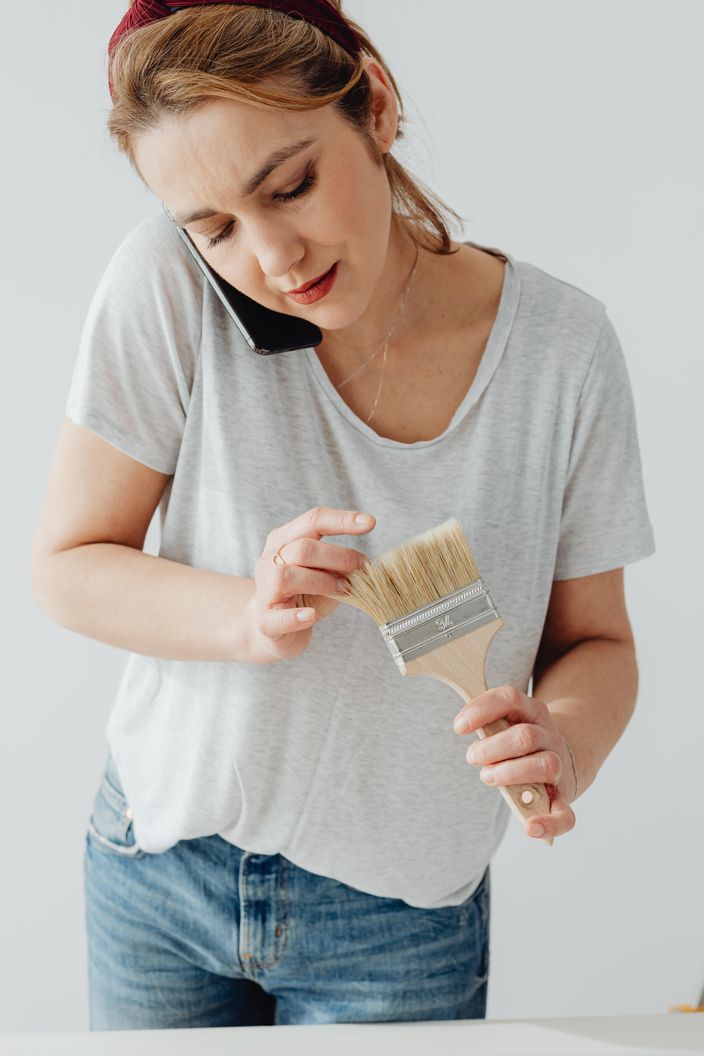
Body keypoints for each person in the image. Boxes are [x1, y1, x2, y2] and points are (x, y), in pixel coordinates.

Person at [30, 0, 656, 1033]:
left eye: (290, 185)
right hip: (158, 869)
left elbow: (596, 641)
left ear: (374, 103)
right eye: (216, 227)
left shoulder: (561, 349)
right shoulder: (166, 288)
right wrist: (246, 615)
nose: (270, 255)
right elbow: (68, 563)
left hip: (400, 917)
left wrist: (565, 740)